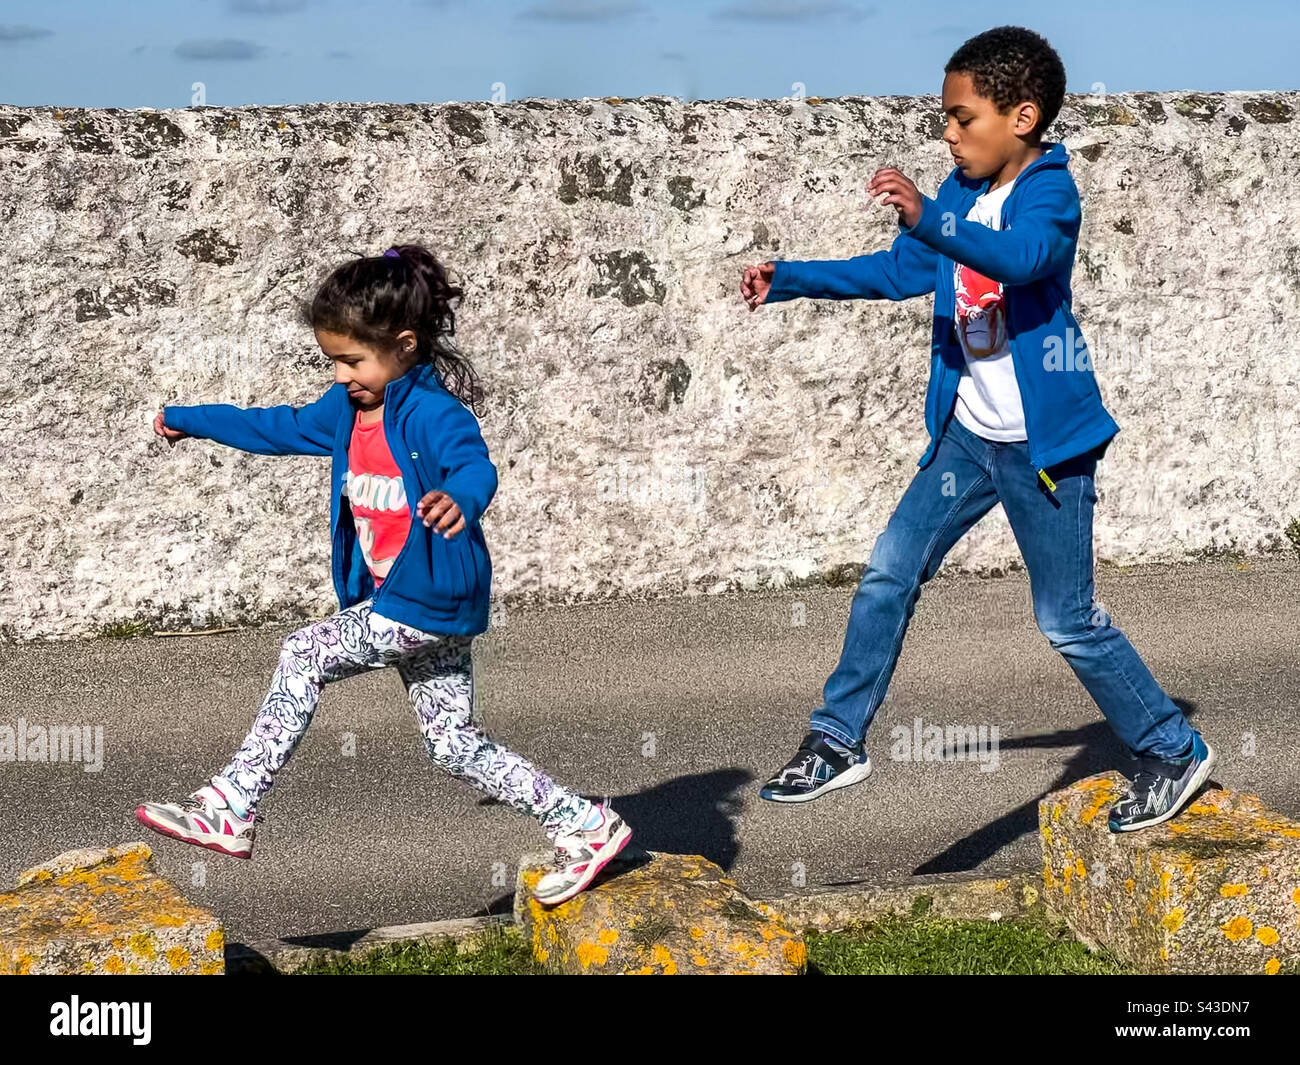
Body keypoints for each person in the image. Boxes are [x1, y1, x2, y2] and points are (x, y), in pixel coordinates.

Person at [740, 26, 1214, 832]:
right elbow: (900, 270)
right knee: (888, 572)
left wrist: (930, 217)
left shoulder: (1049, 194)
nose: (948, 135)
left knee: (1067, 618)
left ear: (1023, 116)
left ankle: (1172, 745)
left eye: (963, 119)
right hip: (968, 434)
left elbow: (1024, 258)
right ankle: (836, 738)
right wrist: (789, 278)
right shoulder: (956, 192)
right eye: (945, 120)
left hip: (1043, 448)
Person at [137, 244, 631, 905]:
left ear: (403, 344)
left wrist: (462, 498)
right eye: (333, 360)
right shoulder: (344, 412)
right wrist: (189, 420)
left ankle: (233, 803)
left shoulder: (433, 413)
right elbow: (274, 426)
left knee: (303, 651)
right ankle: (583, 823)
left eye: (352, 360)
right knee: (453, 743)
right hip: (418, 603)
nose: (341, 374)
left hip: (428, 595)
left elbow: (476, 465)